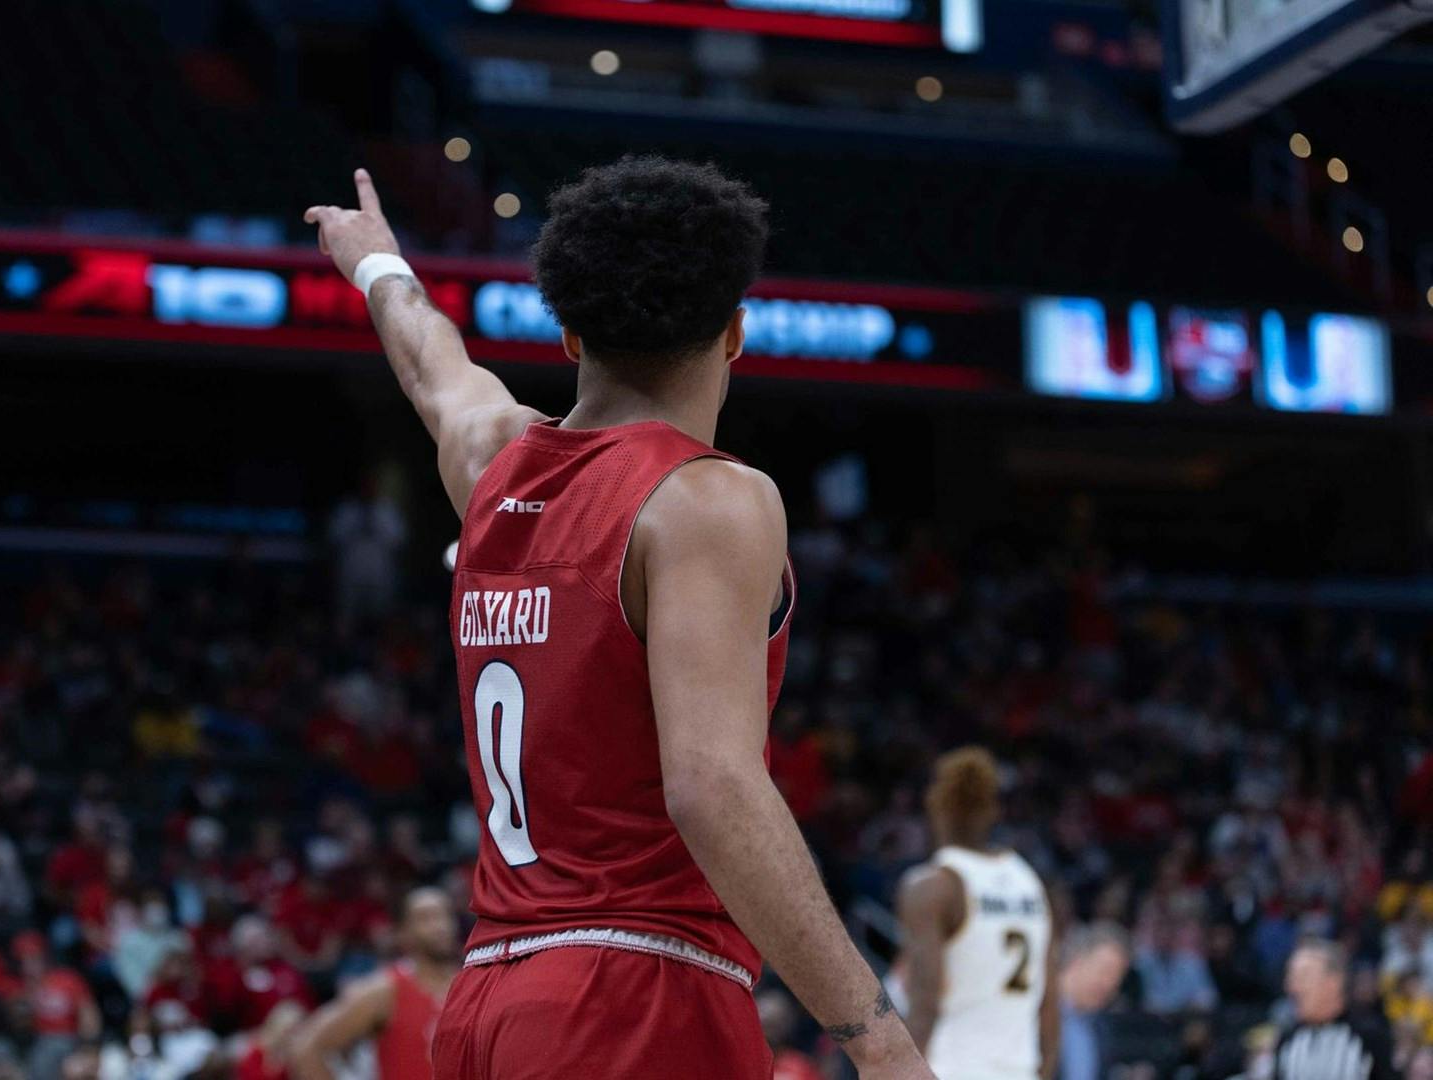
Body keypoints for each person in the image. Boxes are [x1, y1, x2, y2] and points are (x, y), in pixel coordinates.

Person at [303, 158, 933, 1078]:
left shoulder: (493, 462)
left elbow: (431, 365)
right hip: (639, 993)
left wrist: (378, 266)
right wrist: (881, 1041)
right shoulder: (709, 498)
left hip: (486, 1000)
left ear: (566, 336)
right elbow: (711, 787)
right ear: (735, 333)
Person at [895, 748, 1056, 1080]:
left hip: (951, 1067)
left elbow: (925, 999)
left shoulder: (930, 887)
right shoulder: (1031, 884)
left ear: (935, 807)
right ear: (993, 810)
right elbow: (1050, 1004)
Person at [288, 886, 461, 1080]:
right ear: (403, 933)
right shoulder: (385, 990)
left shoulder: (470, 985)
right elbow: (306, 1047)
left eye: (445, 915)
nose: (440, 926)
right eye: (425, 918)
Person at [1274, 938, 1397, 1080]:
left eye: (1303, 976)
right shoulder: (1288, 1040)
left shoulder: (1371, 1037)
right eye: (1291, 977)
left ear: (1334, 982)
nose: (1291, 987)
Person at [1054, 924, 1131, 1080]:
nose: (1110, 985)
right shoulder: (1034, 1011)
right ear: (1076, 962)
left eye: (1117, 979)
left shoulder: (1101, 1027)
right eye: (1106, 971)